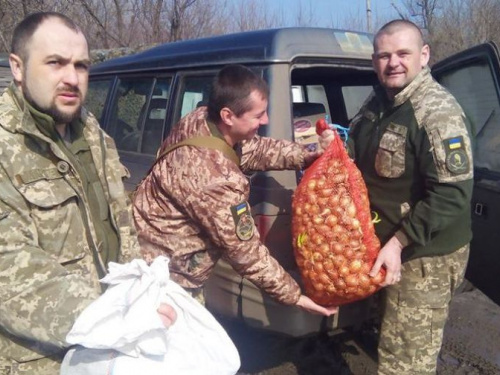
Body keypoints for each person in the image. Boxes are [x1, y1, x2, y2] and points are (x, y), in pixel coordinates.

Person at [0, 12, 176, 375]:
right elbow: (11, 273)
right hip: (45, 359)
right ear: (17, 67)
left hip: (113, 352)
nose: (71, 78)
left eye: (81, 66)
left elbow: (119, 229)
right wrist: (123, 316)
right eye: (55, 63)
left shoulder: (91, 133)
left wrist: (145, 290)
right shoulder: (5, 147)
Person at [133, 64, 338, 317]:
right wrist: (296, 297)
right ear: (228, 116)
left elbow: (254, 149)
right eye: (258, 115)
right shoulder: (215, 180)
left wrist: (310, 156)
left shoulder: (203, 119)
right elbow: (245, 252)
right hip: (167, 283)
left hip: (156, 261)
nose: (266, 120)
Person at [348, 20, 474, 374]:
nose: (393, 63)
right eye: (384, 55)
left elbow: (452, 194)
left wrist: (400, 242)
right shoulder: (379, 101)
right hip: (384, 245)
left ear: (424, 55)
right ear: (374, 61)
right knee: (388, 338)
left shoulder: (436, 112)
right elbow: (357, 148)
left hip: (422, 256)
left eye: (403, 53)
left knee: (406, 361)